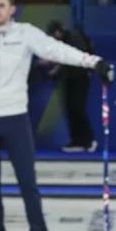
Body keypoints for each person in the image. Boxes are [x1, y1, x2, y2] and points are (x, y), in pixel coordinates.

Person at [0, 0, 113, 231]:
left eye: (1, 6)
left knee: (27, 182)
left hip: (15, 119)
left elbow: (58, 50)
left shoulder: (26, 33)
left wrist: (93, 61)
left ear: (11, 9)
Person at [45, 20, 97, 152]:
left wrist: (56, 71)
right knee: (71, 109)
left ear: (58, 31)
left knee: (77, 109)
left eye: (53, 34)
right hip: (70, 78)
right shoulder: (64, 40)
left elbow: (72, 61)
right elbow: (62, 59)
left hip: (79, 78)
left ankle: (87, 142)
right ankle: (77, 141)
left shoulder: (74, 38)